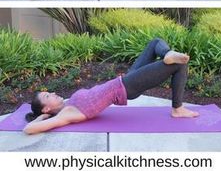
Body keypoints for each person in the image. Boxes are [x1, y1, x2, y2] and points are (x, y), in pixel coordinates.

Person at [23, 37, 199, 134]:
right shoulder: (66, 114)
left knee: (154, 43)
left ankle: (168, 53)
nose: (52, 93)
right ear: (46, 110)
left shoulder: (68, 105)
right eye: (48, 96)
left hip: (125, 80)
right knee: (180, 64)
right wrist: (42, 118)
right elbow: (29, 129)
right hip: (127, 87)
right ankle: (178, 108)